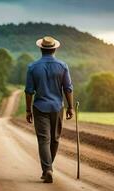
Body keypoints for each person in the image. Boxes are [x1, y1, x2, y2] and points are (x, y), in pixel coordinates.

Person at [24, 36, 74, 183]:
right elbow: (68, 88)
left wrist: (28, 110)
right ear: (54, 49)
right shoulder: (63, 66)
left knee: (43, 140)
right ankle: (48, 168)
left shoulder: (32, 67)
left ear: (41, 49)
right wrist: (70, 107)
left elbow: (28, 91)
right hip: (57, 107)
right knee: (55, 139)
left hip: (40, 107)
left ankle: (47, 169)